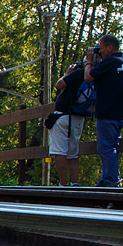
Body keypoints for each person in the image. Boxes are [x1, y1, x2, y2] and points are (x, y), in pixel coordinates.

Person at [83, 34, 123, 187]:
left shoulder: (110, 62)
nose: (100, 51)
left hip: (107, 111)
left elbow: (88, 77)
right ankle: (108, 178)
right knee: (113, 146)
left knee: (106, 147)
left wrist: (88, 62)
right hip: (120, 111)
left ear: (110, 47)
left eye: (102, 48)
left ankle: (111, 180)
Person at [47, 51, 96, 185]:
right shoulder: (96, 75)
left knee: (60, 151)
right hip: (79, 116)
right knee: (73, 153)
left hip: (63, 115)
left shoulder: (79, 73)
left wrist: (68, 73)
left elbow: (59, 85)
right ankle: (74, 183)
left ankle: (63, 184)